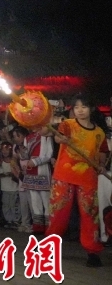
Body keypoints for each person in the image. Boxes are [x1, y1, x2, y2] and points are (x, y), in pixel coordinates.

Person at [46, 95, 109, 267]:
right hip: (64, 176)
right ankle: (49, 249)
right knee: (58, 214)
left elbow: (102, 152)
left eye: (84, 107)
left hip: (88, 178)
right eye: (77, 107)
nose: (80, 110)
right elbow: (58, 137)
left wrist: (101, 165)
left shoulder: (99, 132)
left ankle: (93, 251)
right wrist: (61, 139)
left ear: (91, 109)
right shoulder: (68, 124)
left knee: (90, 215)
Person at [0, 141, 20, 228]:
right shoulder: (0, 161)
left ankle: (16, 220)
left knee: (14, 204)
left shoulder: (14, 161)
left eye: (7, 149)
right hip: (4, 187)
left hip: (14, 187)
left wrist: (11, 174)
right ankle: (9, 220)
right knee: (6, 205)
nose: (5, 151)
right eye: (3, 150)